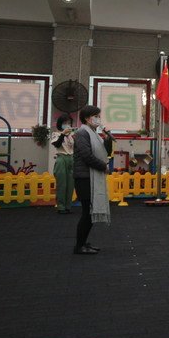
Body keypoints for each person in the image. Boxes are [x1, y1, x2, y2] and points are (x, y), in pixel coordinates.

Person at [71, 105, 112, 255]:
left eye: (99, 116)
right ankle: (79, 246)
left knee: (90, 212)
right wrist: (103, 167)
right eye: (96, 116)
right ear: (87, 119)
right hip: (84, 178)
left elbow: (105, 152)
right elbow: (86, 156)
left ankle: (83, 243)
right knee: (87, 213)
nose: (98, 119)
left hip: (91, 177)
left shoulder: (94, 134)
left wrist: (108, 139)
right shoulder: (82, 133)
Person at [52, 114, 76, 214]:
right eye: (65, 123)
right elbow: (57, 144)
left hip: (71, 158)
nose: (67, 124)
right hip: (61, 158)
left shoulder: (71, 136)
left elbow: (74, 147)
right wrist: (62, 134)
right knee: (62, 183)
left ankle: (68, 206)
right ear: (60, 124)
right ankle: (61, 206)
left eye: (69, 123)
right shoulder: (56, 134)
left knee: (70, 184)